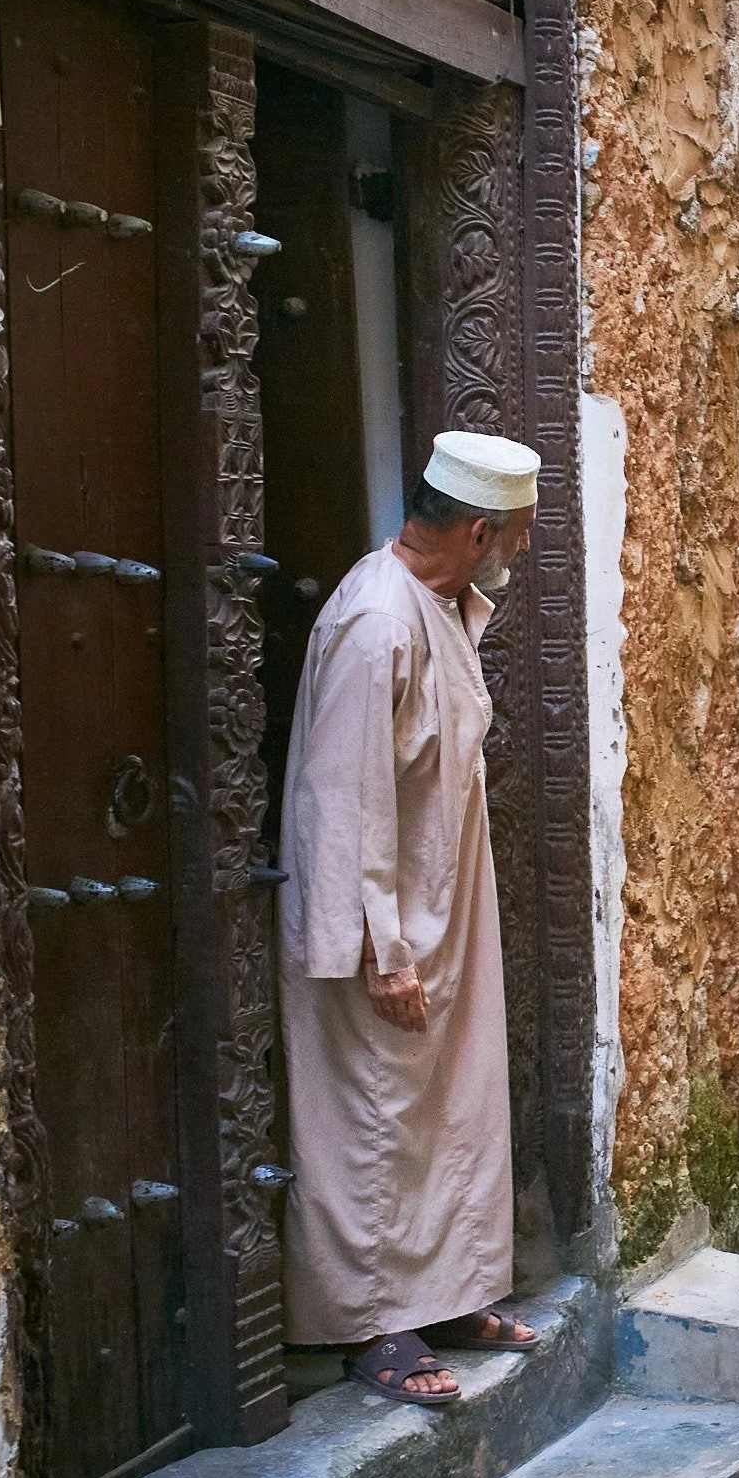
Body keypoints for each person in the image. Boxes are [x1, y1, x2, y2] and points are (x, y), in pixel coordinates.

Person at [275, 431, 543, 1404]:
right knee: (375, 1116)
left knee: (448, 1108)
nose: (519, 551)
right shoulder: (377, 620)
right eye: (514, 535)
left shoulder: (438, 605)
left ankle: (447, 1294)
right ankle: (375, 1327)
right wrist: (383, 952)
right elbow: (339, 802)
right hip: (381, 926)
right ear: (476, 530)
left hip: (442, 909)